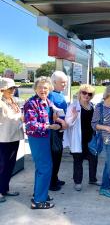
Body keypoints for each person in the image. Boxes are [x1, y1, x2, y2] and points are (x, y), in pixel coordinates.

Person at [24, 76, 62, 209]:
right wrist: (49, 126)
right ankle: (39, 201)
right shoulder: (31, 103)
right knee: (45, 167)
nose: (42, 90)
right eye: (39, 87)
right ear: (35, 88)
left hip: (45, 137)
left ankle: (40, 193)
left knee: (42, 167)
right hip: (37, 138)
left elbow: (52, 114)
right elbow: (30, 125)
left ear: (50, 89)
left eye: (45, 87)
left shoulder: (47, 101)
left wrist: (55, 119)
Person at [63, 84, 100, 191]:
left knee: (93, 159)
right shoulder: (73, 106)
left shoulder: (92, 106)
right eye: (84, 92)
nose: (86, 95)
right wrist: (74, 116)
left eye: (89, 94)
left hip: (90, 138)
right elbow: (67, 123)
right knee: (78, 161)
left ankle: (93, 179)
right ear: (79, 93)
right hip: (78, 139)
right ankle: (77, 182)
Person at [0, 78, 24, 203]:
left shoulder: (12, 100)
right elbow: (7, 117)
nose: (13, 90)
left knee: (10, 165)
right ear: (2, 89)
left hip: (15, 136)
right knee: (2, 165)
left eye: (14, 88)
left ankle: (5, 189)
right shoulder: (0, 102)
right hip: (4, 138)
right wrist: (20, 116)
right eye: (10, 88)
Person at [47, 71, 68, 191]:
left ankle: (55, 178)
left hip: (60, 130)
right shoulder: (51, 95)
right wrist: (61, 122)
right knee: (54, 156)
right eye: (62, 82)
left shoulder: (58, 94)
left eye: (65, 82)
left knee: (58, 156)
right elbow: (52, 114)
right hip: (54, 131)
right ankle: (51, 182)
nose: (64, 84)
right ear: (54, 82)